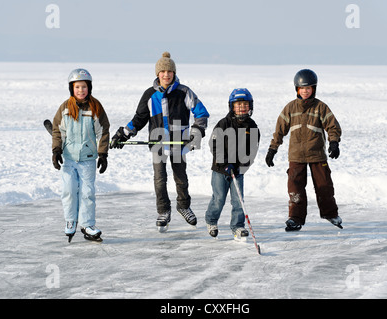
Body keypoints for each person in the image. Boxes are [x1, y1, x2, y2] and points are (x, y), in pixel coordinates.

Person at [110, 52, 209, 232]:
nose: (166, 74)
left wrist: (196, 132)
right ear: (157, 74)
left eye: (169, 71)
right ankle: (163, 211)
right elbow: (139, 119)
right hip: (158, 144)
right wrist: (123, 134)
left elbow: (201, 113)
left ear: (174, 73)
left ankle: (183, 206)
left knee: (181, 178)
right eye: (162, 71)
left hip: (179, 143)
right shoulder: (149, 95)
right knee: (159, 180)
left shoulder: (184, 92)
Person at [265, 69, 342, 231]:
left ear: (314, 88)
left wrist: (334, 142)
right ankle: (295, 218)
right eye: (302, 88)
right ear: (297, 89)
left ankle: (330, 213)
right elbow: (279, 130)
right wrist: (273, 149)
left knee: (324, 185)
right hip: (296, 155)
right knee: (295, 188)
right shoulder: (290, 108)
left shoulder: (321, 107)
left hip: (317, 155)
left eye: (308, 88)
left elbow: (333, 126)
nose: (305, 91)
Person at [52, 68, 110, 242]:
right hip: (69, 158)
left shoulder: (95, 107)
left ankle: (87, 224)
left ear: (89, 87)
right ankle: (71, 221)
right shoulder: (65, 108)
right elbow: (57, 131)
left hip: (87, 159)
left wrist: (103, 154)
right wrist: (56, 151)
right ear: (72, 88)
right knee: (68, 190)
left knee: (87, 192)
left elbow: (103, 131)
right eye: (77, 87)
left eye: (84, 87)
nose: (80, 90)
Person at [205, 88, 260, 239]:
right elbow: (214, 144)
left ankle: (237, 226)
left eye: (245, 104)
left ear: (250, 106)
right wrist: (225, 163)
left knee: (238, 200)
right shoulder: (224, 123)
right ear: (232, 106)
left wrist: (241, 166)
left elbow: (252, 149)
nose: (242, 107)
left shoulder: (252, 126)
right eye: (238, 104)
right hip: (220, 170)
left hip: (238, 170)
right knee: (219, 199)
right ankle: (211, 220)